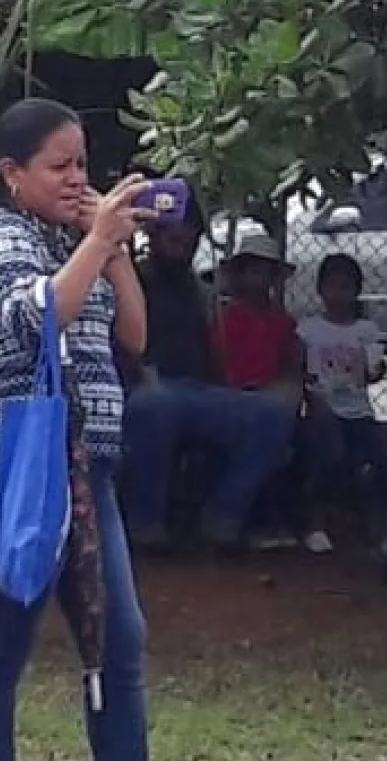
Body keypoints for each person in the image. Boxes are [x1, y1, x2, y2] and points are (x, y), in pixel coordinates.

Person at [0, 98, 153, 761]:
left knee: (120, 642)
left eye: (83, 164)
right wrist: (97, 241)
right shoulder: (3, 237)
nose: (77, 178)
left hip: (88, 468)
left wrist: (112, 247)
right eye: (59, 166)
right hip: (22, 463)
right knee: (1, 643)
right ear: (14, 174)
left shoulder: (78, 237)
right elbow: (35, 319)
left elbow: (133, 333)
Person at [122, 212, 293, 551]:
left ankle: (221, 519)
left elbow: (216, 355)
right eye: (173, 232)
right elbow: (122, 345)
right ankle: (145, 525)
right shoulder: (131, 280)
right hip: (144, 387)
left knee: (272, 412)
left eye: (189, 232)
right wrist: (143, 372)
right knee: (155, 405)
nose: (182, 237)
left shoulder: (202, 292)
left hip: (198, 391)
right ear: (154, 235)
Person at [211, 234, 320, 549]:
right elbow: (218, 364)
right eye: (252, 270)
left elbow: (291, 364)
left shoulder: (281, 322)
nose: (259, 279)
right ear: (240, 274)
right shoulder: (226, 316)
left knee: (306, 438)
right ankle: (255, 522)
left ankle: (300, 519)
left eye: (266, 272)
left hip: (274, 399)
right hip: (234, 397)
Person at [297, 254, 387, 551]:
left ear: (356, 291)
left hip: (360, 412)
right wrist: (311, 394)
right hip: (323, 410)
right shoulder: (309, 329)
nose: (338, 294)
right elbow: (299, 369)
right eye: (331, 287)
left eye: (345, 287)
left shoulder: (366, 330)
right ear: (320, 290)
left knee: (386, 458)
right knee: (328, 456)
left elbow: (374, 372)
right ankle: (315, 522)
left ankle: (385, 533)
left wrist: (376, 370)